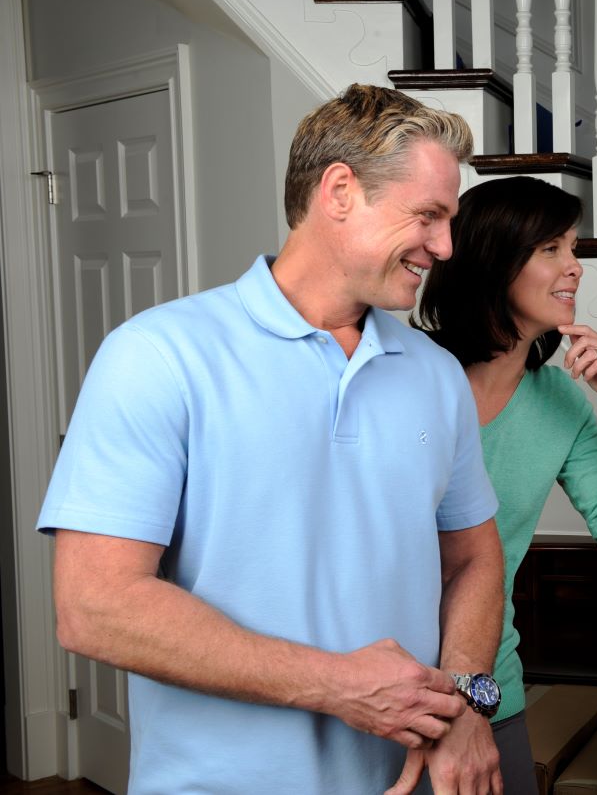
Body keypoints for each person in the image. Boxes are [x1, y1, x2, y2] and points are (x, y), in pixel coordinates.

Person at [38, 84, 508, 795]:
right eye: (428, 216)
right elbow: (94, 608)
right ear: (340, 191)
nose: (444, 246)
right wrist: (339, 686)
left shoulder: (437, 374)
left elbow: (474, 557)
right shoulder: (158, 355)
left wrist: (468, 703)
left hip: (405, 782)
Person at [403, 175, 597, 793]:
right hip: (385, 691)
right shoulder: (404, 373)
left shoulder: (559, 403)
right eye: (551, 249)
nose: (575, 267)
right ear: (494, 260)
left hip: (491, 693)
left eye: (573, 248)